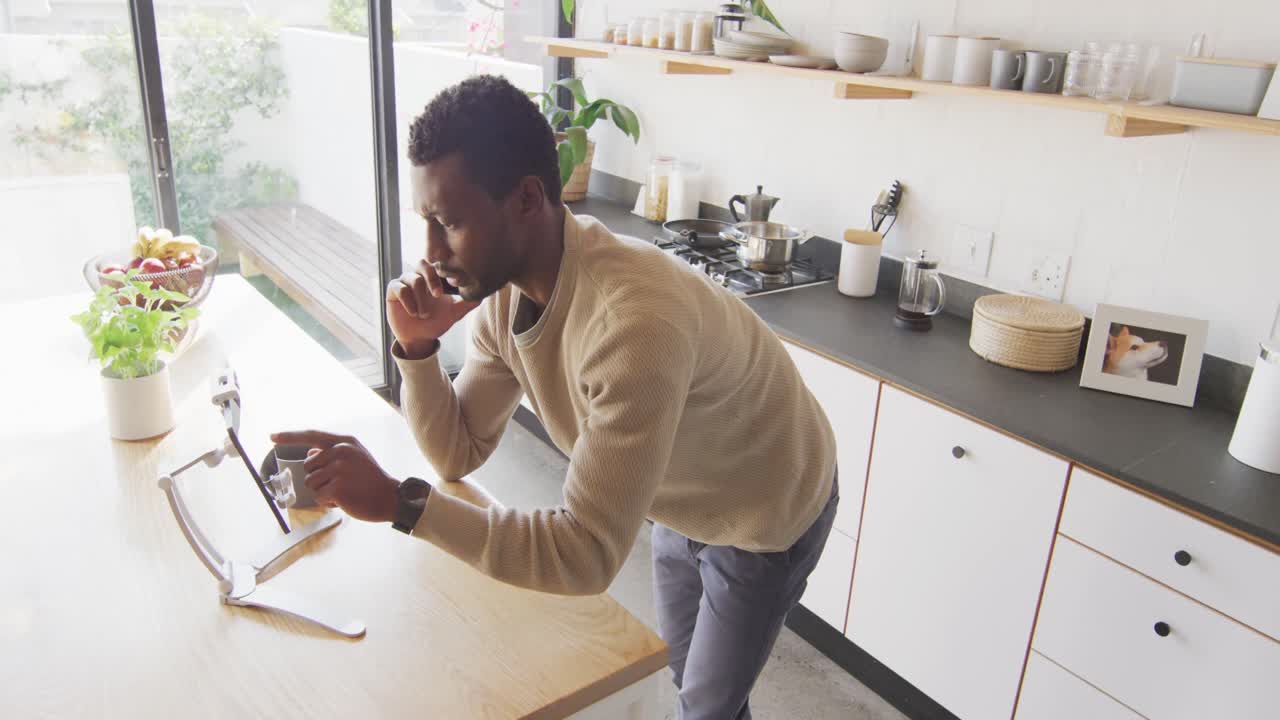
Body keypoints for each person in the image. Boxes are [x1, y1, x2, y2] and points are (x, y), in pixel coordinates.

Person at [273, 74, 838, 720]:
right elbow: (457, 451)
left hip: (767, 500)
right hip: (680, 489)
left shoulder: (633, 324)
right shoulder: (507, 295)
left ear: (526, 199)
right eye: (425, 222)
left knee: (706, 706)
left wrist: (404, 504)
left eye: (449, 223)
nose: (429, 255)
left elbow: (586, 554)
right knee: (680, 673)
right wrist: (419, 351)